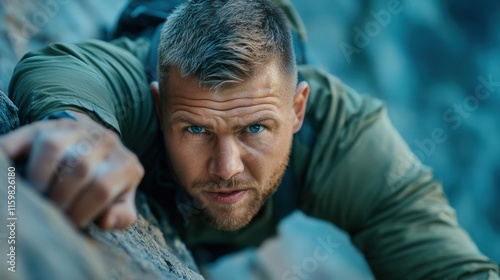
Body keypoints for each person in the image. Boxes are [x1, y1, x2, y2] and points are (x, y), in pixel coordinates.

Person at [4, 0, 499, 278]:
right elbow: (68, 69)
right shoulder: (143, 80)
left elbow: (441, 258)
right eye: (196, 129)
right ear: (158, 105)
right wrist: (80, 129)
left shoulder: (342, 137)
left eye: (255, 129)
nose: (226, 167)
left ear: (298, 108)